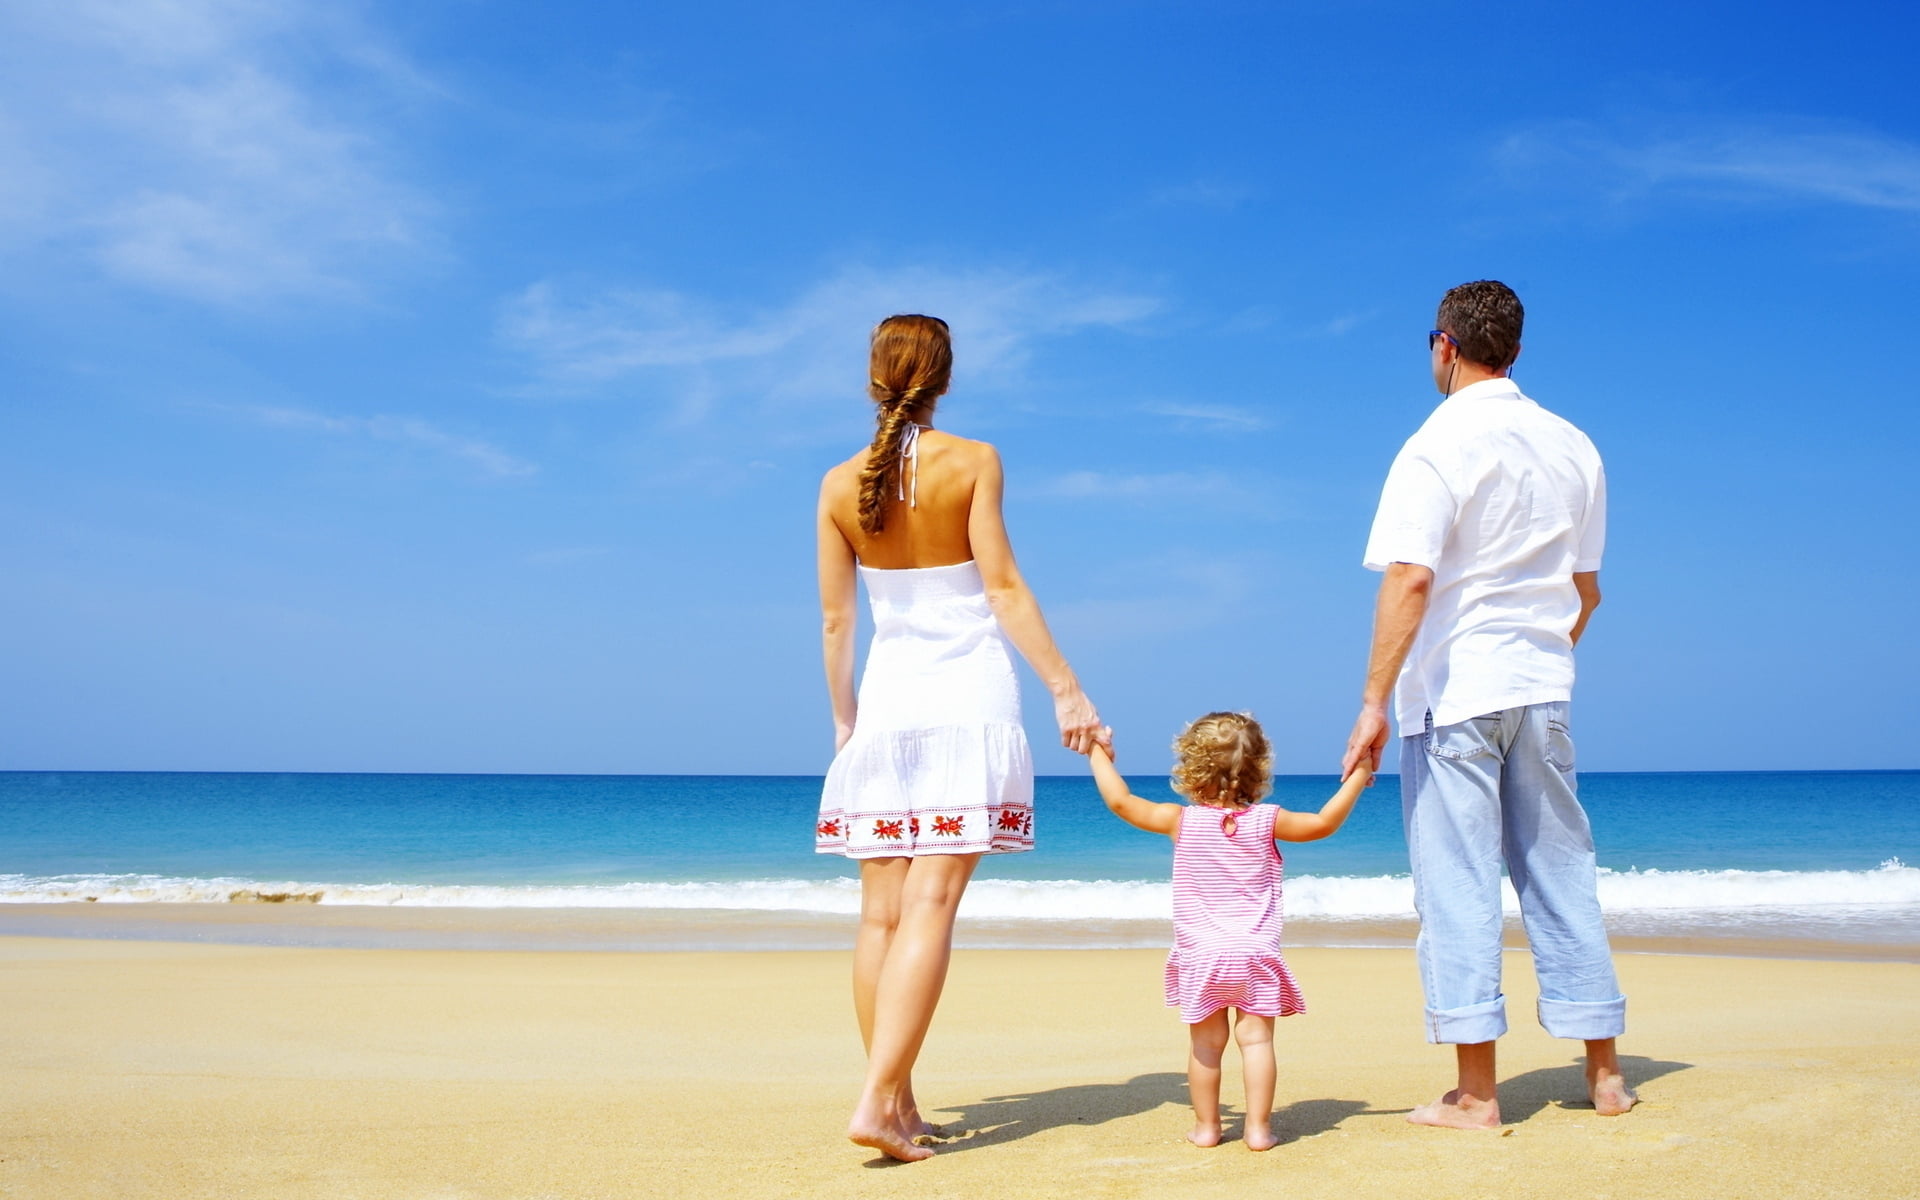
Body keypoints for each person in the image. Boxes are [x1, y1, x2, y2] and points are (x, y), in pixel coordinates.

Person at [1342, 280, 1636, 1129]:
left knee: (1459, 887)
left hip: (1455, 696)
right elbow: (1588, 592)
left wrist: (1371, 701)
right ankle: (1606, 1075)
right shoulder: (1574, 445)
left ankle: (1476, 1095)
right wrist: (1538, 662)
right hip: (1542, 690)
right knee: (1561, 876)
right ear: (1513, 348)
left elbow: (1411, 576)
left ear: (1444, 346)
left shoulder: (1434, 443)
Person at [816, 314, 1105, 1162]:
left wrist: (845, 721)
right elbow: (1004, 587)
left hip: (887, 704)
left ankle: (897, 1105)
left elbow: (837, 623)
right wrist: (1068, 689)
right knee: (932, 906)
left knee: (880, 917)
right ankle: (878, 1101)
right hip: (965, 699)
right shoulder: (974, 461)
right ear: (943, 377)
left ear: (873, 376)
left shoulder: (837, 485)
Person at [1087, 713, 1369, 1151]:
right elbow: (1322, 823)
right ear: (1258, 769)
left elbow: (1121, 801)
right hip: (1254, 954)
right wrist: (1359, 777)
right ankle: (1257, 1130)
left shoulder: (1180, 821)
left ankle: (1207, 1128)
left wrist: (1097, 752)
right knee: (1256, 1041)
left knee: (1206, 1045)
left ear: (1190, 768)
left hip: (1202, 956)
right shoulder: (1268, 821)